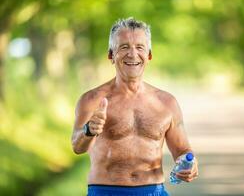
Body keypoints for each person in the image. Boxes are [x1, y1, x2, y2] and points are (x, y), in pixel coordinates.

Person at [71, 17, 198, 196]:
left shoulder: (167, 103)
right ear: (111, 55)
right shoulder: (92, 100)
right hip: (105, 191)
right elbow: (77, 146)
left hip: (154, 191)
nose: (132, 54)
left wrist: (189, 163)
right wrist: (89, 130)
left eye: (140, 47)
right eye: (124, 47)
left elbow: (182, 150)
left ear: (149, 55)